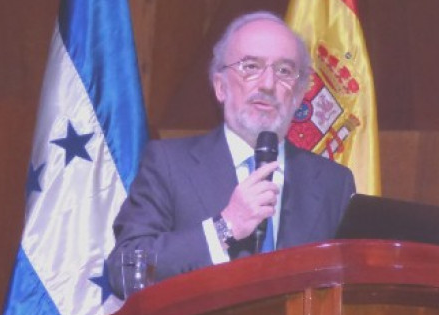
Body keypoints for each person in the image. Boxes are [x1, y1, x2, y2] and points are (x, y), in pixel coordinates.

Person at [106, 11, 357, 297]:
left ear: (299, 95)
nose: (267, 84)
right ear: (220, 86)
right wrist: (224, 227)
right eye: (251, 67)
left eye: (284, 71)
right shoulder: (168, 164)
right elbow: (125, 271)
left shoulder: (333, 182)